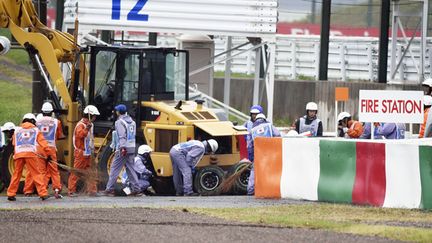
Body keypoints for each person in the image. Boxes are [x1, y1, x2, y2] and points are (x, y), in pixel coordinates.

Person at [7, 113, 54, 201]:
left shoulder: (17, 130)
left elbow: (14, 143)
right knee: (36, 173)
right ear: (33, 121)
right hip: (30, 155)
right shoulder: (35, 130)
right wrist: (49, 154)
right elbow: (43, 143)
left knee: (16, 174)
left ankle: (11, 193)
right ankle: (43, 193)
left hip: (18, 154)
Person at [24, 102, 64, 199]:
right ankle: (57, 190)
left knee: (40, 171)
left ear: (42, 111)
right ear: (51, 112)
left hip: (39, 148)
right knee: (54, 170)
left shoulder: (36, 121)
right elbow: (60, 135)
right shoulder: (56, 122)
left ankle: (41, 191)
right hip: (50, 148)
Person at [104, 104, 141, 196]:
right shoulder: (132, 122)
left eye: (116, 111)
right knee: (131, 169)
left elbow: (122, 136)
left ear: (118, 112)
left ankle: (109, 189)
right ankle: (136, 189)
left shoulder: (120, 122)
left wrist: (122, 147)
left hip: (123, 149)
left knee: (114, 168)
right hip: (132, 147)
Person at [68, 105, 99, 197]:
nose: (95, 118)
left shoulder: (90, 125)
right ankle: (71, 191)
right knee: (76, 172)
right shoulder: (80, 125)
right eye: (94, 116)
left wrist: (93, 149)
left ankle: (92, 191)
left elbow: (91, 139)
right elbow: (80, 135)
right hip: (81, 153)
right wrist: (87, 128)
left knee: (91, 172)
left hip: (88, 152)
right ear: (89, 115)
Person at [247, 113, 281, 195]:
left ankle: (250, 190)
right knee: (272, 172)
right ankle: (272, 188)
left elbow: (249, 146)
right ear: (264, 119)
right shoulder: (270, 126)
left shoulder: (252, 130)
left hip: (258, 155)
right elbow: (278, 136)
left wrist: (251, 157)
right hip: (270, 154)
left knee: (254, 172)